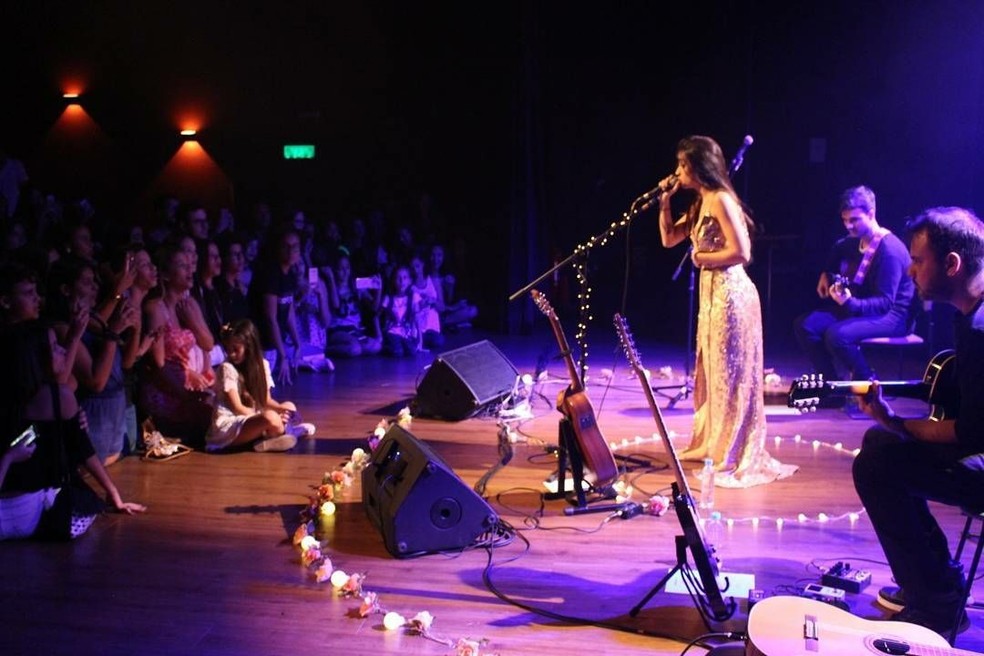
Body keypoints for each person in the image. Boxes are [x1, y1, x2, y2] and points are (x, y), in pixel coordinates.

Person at [854, 206, 984, 638]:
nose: (910, 270)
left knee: (876, 464)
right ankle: (938, 585)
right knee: (878, 445)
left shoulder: (981, 327)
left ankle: (938, 605)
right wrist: (891, 423)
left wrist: (898, 423)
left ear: (952, 264)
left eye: (918, 260)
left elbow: (969, 433)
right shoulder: (970, 313)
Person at [656, 135, 795, 488]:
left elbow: (742, 252)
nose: (677, 172)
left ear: (699, 166)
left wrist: (703, 258)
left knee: (731, 375)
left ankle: (732, 452)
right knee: (713, 371)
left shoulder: (720, 199)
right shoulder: (701, 201)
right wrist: (664, 203)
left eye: (682, 166)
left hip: (732, 296)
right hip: (712, 295)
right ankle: (713, 442)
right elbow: (669, 239)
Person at [794, 186, 915, 384]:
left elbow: (885, 302)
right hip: (862, 307)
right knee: (806, 325)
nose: (849, 226)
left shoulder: (889, 251)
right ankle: (832, 385)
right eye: (845, 220)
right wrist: (826, 273)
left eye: (854, 220)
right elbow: (837, 251)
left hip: (892, 316)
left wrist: (850, 303)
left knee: (837, 335)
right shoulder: (851, 242)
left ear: (871, 213)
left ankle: (867, 384)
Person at [206, 319, 314, 452]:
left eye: (236, 349)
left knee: (289, 406)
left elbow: (266, 400)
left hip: (253, 415)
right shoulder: (227, 368)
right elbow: (237, 408)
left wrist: (282, 410)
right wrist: (267, 414)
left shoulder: (262, 365)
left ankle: (269, 439)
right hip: (231, 424)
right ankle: (287, 433)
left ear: (249, 346)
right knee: (270, 417)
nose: (231, 354)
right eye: (228, 349)